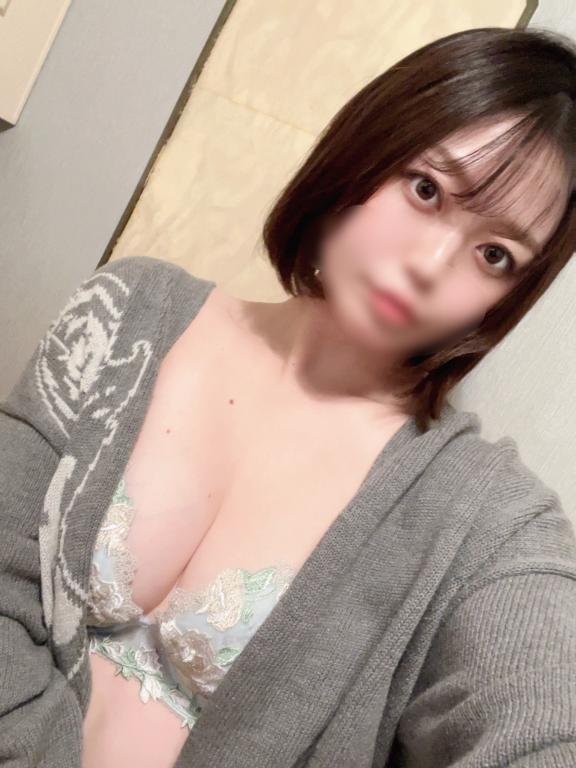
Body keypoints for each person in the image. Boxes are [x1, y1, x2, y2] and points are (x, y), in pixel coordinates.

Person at [1, 24, 576, 768]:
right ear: (366, 148)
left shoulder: (481, 519)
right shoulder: (126, 312)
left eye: (495, 254)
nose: (431, 264)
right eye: (426, 189)